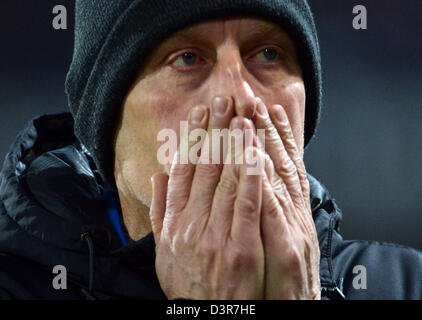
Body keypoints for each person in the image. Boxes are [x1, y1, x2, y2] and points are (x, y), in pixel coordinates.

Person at [0, 0, 421, 300]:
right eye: (187, 58)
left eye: (268, 53)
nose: (237, 94)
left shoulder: (406, 286)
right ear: (104, 121)